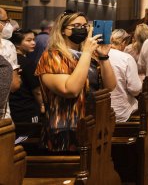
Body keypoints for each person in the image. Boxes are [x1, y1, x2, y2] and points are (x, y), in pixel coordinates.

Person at [35, 11, 116, 151]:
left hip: (91, 125)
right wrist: (86, 53)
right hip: (63, 129)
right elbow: (70, 90)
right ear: (63, 30)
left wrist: (103, 57)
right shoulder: (51, 56)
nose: (82, 29)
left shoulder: (89, 56)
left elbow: (110, 86)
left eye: (85, 26)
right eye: (77, 25)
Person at [9, 29, 44, 122]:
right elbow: (37, 91)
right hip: (27, 109)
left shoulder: (8, 59)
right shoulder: (28, 63)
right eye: (28, 40)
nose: (33, 43)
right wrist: (42, 105)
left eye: (33, 39)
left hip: (12, 108)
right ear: (17, 44)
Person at [108, 29, 142, 122]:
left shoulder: (97, 55)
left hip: (101, 111)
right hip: (121, 112)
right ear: (123, 42)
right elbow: (135, 89)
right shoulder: (126, 58)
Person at [0, 7, 21, 118]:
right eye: (5, 21)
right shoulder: (6, 45)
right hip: (2, 113)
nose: (8, 24)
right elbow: (14, 85)